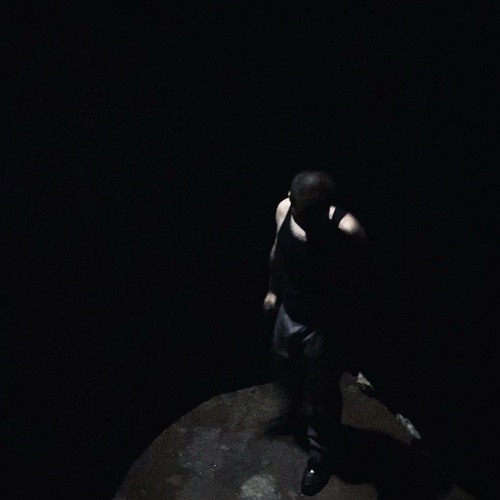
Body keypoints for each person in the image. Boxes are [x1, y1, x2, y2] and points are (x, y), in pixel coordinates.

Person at [263, 170, 369, 496]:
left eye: (315, 216)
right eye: (304, 215)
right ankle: (299, 410)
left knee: (322, 393)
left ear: (327, 208)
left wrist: (344, 334)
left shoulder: (347, 232)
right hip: (290, 311)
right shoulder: (284, 210)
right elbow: (277, 251)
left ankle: (321, 455)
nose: (309, 223)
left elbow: (358, 284)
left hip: (323, 325)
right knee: (283, 364)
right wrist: (273, 290)